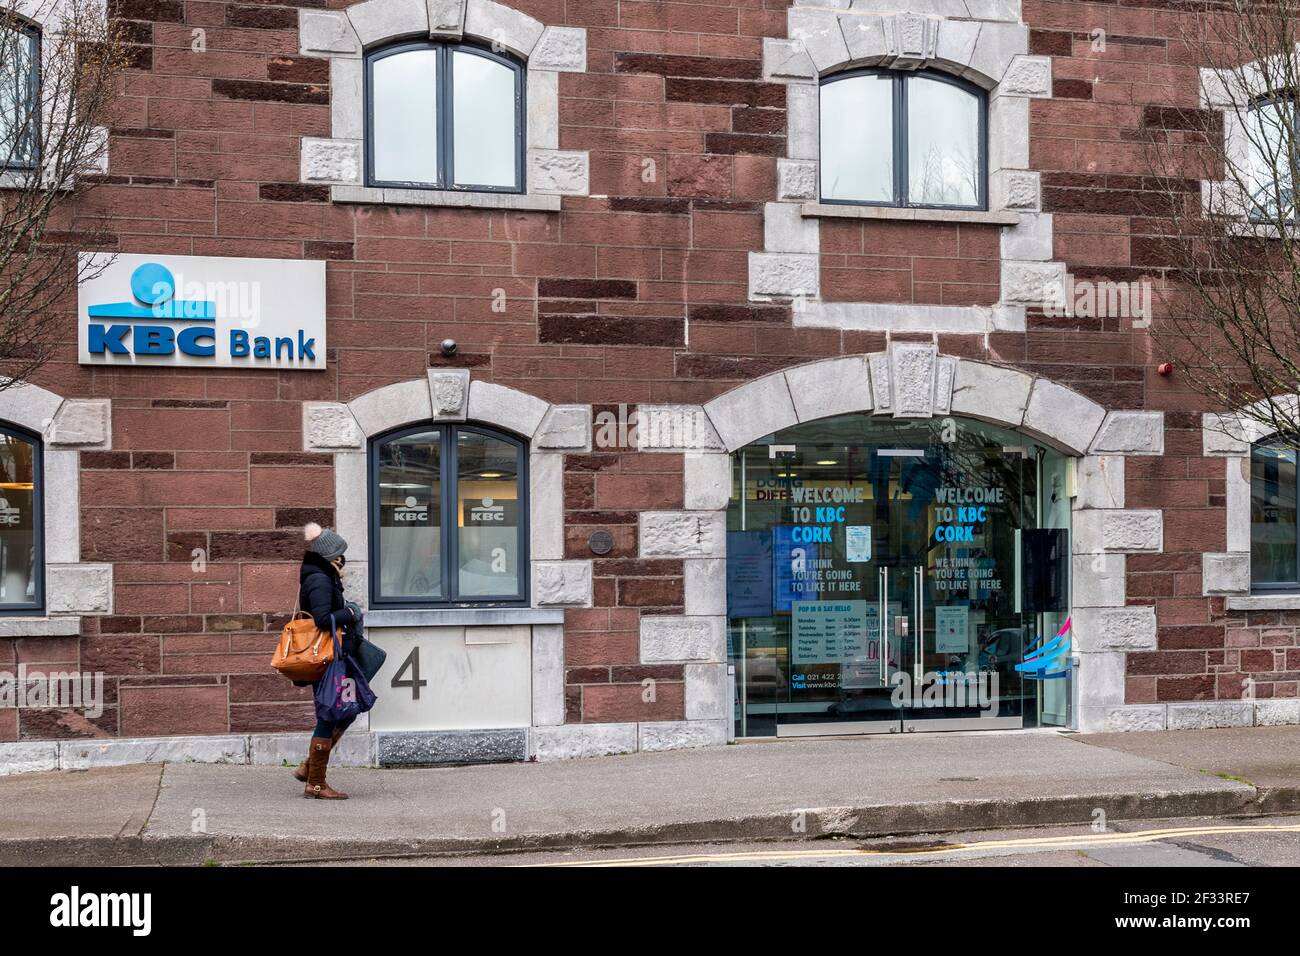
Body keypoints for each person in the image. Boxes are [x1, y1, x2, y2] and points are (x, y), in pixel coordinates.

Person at [293, 522, 364, 800]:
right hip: (326, 657)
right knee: (330, 713)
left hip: (332, 654)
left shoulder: (322, 575)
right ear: (330, 555)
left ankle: (309, 769)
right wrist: (350, 611)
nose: (342, 558)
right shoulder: (320, 579)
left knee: (343, 710)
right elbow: (323, 619)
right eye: (340, 554)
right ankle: (316, 783)